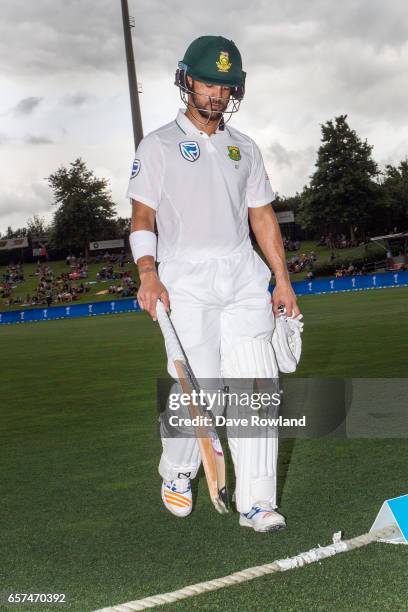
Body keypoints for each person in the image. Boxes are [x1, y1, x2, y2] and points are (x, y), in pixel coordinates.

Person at [126, 35, 301, 532]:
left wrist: (281, 281)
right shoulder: (157, 144)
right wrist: (148, 273)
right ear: (186, 81)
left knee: (256, 386)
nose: (216, 95)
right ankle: (177, 468)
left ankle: (257, 502)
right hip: (185, 278)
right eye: (208, 82)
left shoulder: (244, 148)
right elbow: (142, 217)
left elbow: (263, 217)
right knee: (197, 387)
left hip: (243, 276)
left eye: (226, 86)